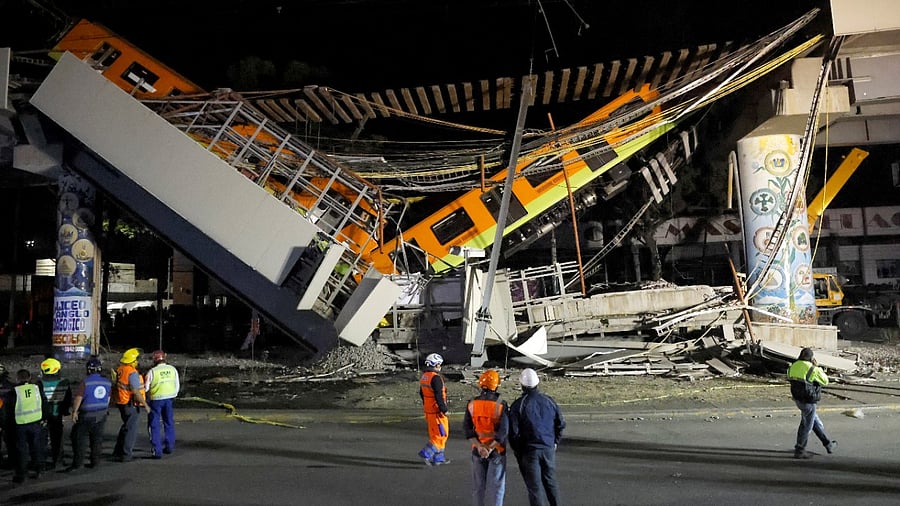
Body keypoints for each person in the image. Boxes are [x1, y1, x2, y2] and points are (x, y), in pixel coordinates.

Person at [509, 368, 565, 506]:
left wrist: (518, 450)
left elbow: (514, 433)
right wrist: (555, 442)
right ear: (537, 383)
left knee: (534, 488)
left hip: (529, 451)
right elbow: (560, 423)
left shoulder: (518, 405)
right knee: (550, 482)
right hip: (548, 448)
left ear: (521, 384)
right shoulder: (549, 401)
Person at [464, 369, 509, 506]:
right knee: (497, 487)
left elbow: (467, 429)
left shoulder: (472, 403)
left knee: (478, 487)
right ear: (496, 385)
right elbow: (503, 431)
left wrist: (479, 447)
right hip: (496, 450)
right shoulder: (501, 404)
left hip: (477, 450)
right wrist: (489, 448)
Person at [787, 347, 837, 459]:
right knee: (806, 425)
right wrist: (817, 367)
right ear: (811, 357)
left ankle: (828, 444)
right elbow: (825, 381)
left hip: (797, 399)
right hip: (808, 400)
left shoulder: (793, 366)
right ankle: (800, 450)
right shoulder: (812, 369)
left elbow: (789, 377)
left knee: (811, 421)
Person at [68, 356, 112, 472]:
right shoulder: (107, 382)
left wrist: (74, 411)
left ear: (88, 370)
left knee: (78, 438)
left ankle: (78, 463)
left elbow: (78, 397)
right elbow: (108, 398)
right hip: (101, 414)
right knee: (97, 439)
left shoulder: (86, 382)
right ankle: (95, 462)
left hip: (87, 414)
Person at [10, 369, 49, 483]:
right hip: (36, 422)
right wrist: (44, 418)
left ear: (17, 378)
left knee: (22, 450)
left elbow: (8, 410)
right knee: (37, 447)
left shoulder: (14, 391)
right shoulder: (36, 388)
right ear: (29, 378)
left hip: (20, 424)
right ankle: (40, 469)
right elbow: (44, 403)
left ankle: (22, 474)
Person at [112, 348, 150, 462]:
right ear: (133, 361)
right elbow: (135, 390)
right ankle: (126, 454)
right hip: (131, 403)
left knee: (126, 426)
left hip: (121, 402)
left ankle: (118, 451)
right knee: (131, 429)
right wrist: (145, 404)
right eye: (137, 359)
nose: (138, 362)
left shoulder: (120, 370)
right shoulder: (132, 372)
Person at [145, 350, 180, 458]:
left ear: (154, 360)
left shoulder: (152, 372)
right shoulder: (172, 369)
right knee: (169, 422)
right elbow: (177, 385)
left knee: (154, 425)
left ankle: (157, 451)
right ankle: (169, 447)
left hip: (156, 400)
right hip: (169, 399)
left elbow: (146, 388)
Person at [39, 357, 73, 469]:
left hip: (43, 415)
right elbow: (68, 399)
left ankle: (41, 462)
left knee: (42, 440)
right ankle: (58, 461)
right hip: (57, 414)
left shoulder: (40, 384)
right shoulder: (64, 382)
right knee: (57, 439)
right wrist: (65, 411)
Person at [417, 352, 450, 466]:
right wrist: (443, 409)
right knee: (442, 434)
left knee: (434, 434)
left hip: (429, 411)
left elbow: (422, 393)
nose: (439, 367)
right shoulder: (436, 378)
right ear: (435, 364)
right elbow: (438, 396)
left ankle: (439, 458)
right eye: (439, 364)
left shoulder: (424, 377)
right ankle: (427, 452)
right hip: (437, 412)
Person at [0, 364, 17, 469]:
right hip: (10, 418)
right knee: (11, 442)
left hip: (5, 418)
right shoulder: (13, 387)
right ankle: (12, 461)